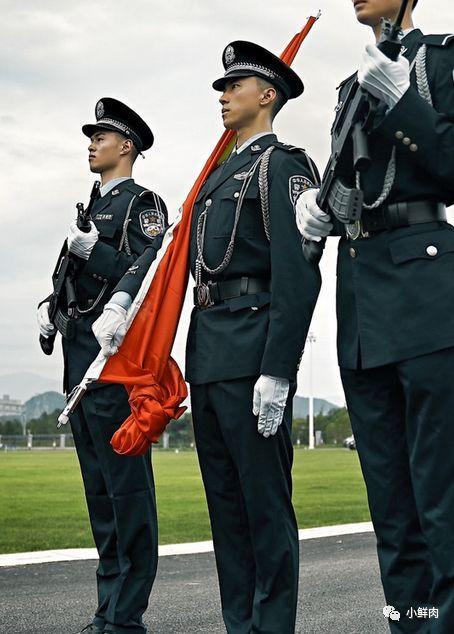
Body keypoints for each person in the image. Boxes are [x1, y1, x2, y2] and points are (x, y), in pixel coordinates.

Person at [93, 42, 321, 633]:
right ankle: (239, 625)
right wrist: (124, 300)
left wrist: (279, 368)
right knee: (226, 509)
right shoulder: (216, 177)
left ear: (266, 95)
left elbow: (298, 273)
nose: (222, 95)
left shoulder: (283, 166)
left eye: (233, 85)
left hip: (253, 351)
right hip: (210, 352)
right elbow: (173, 254)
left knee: (265, 507)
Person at [296, 1, 454, 631]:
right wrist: (321, 208)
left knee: (441, 499)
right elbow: (353, 187)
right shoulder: (348, 89)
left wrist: (404, 102)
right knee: (391, 509)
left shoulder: (441, 60)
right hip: (362, 297)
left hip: (424, 290)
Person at [37, 98, 168, 634]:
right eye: (91, 138)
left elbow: (150, 275)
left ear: (126, 146)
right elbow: (74, 277)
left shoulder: (141, 203)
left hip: (114, 368)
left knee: (126, 493)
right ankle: (107, 610)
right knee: (99, 495)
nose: (92, 145)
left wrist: (96, 253)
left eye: (101, 137)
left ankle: (126, 615)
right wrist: (52, 307)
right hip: (78, 367)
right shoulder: (90, 207)